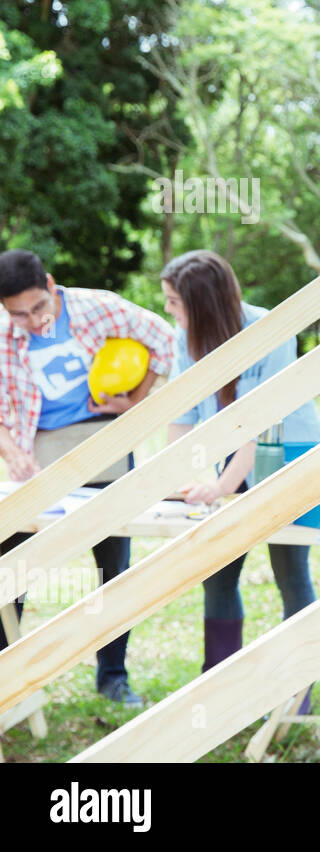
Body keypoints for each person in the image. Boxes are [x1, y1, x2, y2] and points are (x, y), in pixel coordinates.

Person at [0, 249, 175, 706]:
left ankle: (113, 676)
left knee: (113, 565)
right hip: (40, 448)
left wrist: (135, 402)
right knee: (11, 561)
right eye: (18, 313)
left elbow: (164, 338)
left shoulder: (98, 306)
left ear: (52, 286)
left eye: (38, 307)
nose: (31, 319)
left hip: (106, 441)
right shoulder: (3, 334)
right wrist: (11, 451)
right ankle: (6, 676)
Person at [161, 250, 320, 704]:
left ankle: (298, 689)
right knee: (217, 571)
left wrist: (220, 487)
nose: (169, 312)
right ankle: (219, 685)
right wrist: (184, 478)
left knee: (290, 572)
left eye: (174, 302)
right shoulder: (186, 337)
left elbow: (257, 424)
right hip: (231, 459)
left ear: (202, 303)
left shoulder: (270, 332)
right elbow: (182, 416)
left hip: (287, 458)